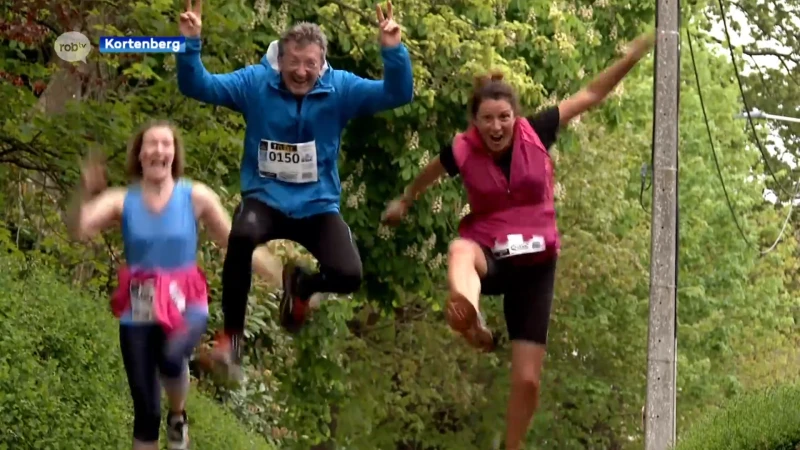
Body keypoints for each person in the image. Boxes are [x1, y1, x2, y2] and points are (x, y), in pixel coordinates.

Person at [381, 33, 655, 450]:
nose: (496, 127)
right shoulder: (460, 150)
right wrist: (405, 200)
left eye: (504, 118)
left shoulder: (538, 130)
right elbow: (428, 174)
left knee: (527, 379)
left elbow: (592, 93)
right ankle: (469, 313)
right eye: (487, 119)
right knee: (459, 250)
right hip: (490, 253)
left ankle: (513, 445)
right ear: (475, 122)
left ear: (515, 116)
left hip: (535, 266)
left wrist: (632, 56)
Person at [175, 0, 414, 373]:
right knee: (241, 236)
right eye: (294, 62)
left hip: (316, 207)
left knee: (349, 274)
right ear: (280, 59)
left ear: (323, 65)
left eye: (310, 64)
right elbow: (197, 86)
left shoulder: (341, 89)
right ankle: (231, 342)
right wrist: (190, 44)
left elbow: (397, 94)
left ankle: (301, 286)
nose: (301, 72)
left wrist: (393, 50)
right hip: (265, 201)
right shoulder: (256, 84)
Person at [66, 120, 279, 450]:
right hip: (140, 305)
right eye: (151, 144)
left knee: (170, 358)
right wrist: (84, 190)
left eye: (166, 144)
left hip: (186, 302)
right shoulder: (121, 200)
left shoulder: (195, 196)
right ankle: (163, 420)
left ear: (174, 155)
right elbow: (78, 229)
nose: (159, 150)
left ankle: (178, 416)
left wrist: (276, 271)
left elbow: (233, 241)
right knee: (145, 413)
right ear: (139, 155)